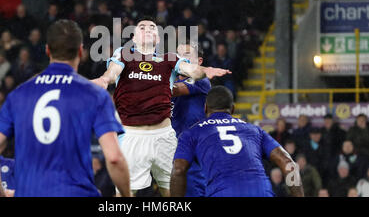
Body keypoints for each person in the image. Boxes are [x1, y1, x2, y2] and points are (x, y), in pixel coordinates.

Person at [0, 19, 130, 197]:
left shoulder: (19, 95)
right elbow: (114, 158)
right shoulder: (93, 94)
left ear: (47, 50)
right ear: (81, 52)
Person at [91, 16, 231, 197]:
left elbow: (191, 70)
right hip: (133, 136)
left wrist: (204, 71)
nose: (148, 29)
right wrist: (104, 80)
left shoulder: (170, 60)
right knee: (125, 194)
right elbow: (112, 72)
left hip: (165, 137)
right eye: (142, 27)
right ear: (133, 38)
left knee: (174, 194)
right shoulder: (123, 54)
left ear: (157, 39)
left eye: (152, 28)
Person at [170, 86, 304, 197]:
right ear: (232, 109)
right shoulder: (255, 130)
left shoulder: (192, 133)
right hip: (261, 192)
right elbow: (288, 163)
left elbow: (178, 169)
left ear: (205, 108)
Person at [170, 42, 211, 197]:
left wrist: (149, 81)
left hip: (194, 147)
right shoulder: (170, 80)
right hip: (172, 145)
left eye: (187, 54)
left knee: (194, 190)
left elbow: (175, 90)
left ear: (199, 62)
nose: (181, 58)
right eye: (178, 54)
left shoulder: (201, 78)